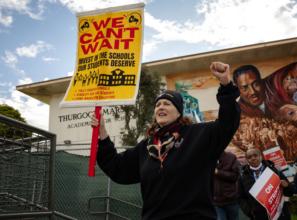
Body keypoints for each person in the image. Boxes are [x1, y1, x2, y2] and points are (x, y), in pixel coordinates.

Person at [91, 62, 241, 220]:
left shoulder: (200, 135)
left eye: (167, 104)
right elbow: (117, 168)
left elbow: (228, 121)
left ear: (179, 113)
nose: (160, 107)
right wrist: (102, 133)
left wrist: (226, 85)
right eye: (158, 105)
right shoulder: (146, 146)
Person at [237, 148, 294, 220]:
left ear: (260, 156)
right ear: (247, 160)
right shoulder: (242, 177)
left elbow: (290, 192)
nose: (253, 158)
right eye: (249, 157)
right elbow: (241, 198)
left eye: (255, 155)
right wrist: (249, 211)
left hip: (280, 215)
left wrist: (287, 186)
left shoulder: (273, 170)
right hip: (259, 217)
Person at [214, 151, 240, 220]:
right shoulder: (206, 158)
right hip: (215, 202)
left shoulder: (231, 157)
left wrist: (218, 172)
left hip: (231, 201)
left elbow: (235, 176)